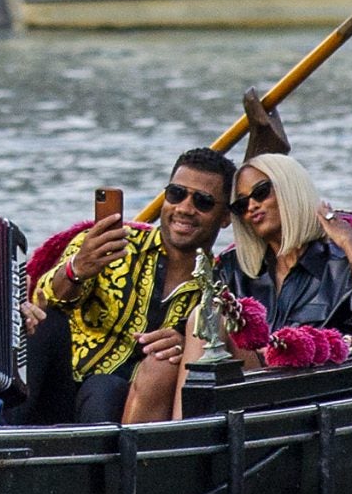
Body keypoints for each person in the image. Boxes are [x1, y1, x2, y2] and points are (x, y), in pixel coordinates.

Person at [24, 147, 234, 426]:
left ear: (225, 217)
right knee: (46, 322)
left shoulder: (217, 288)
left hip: (129, 408)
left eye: (203, 201)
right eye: (176, 194)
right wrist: (77, 270)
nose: (184, 208)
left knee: (104, 389)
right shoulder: (107, 244)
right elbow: (43, 301)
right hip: (58, 390)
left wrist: (187, 349)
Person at [221, 154, 352, 339]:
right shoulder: (233, 272)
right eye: (241, 204)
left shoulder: (341, 265)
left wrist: (349, 241)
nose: (251, 206)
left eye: (261, 192)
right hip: (251, 367)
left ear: (291, 190)